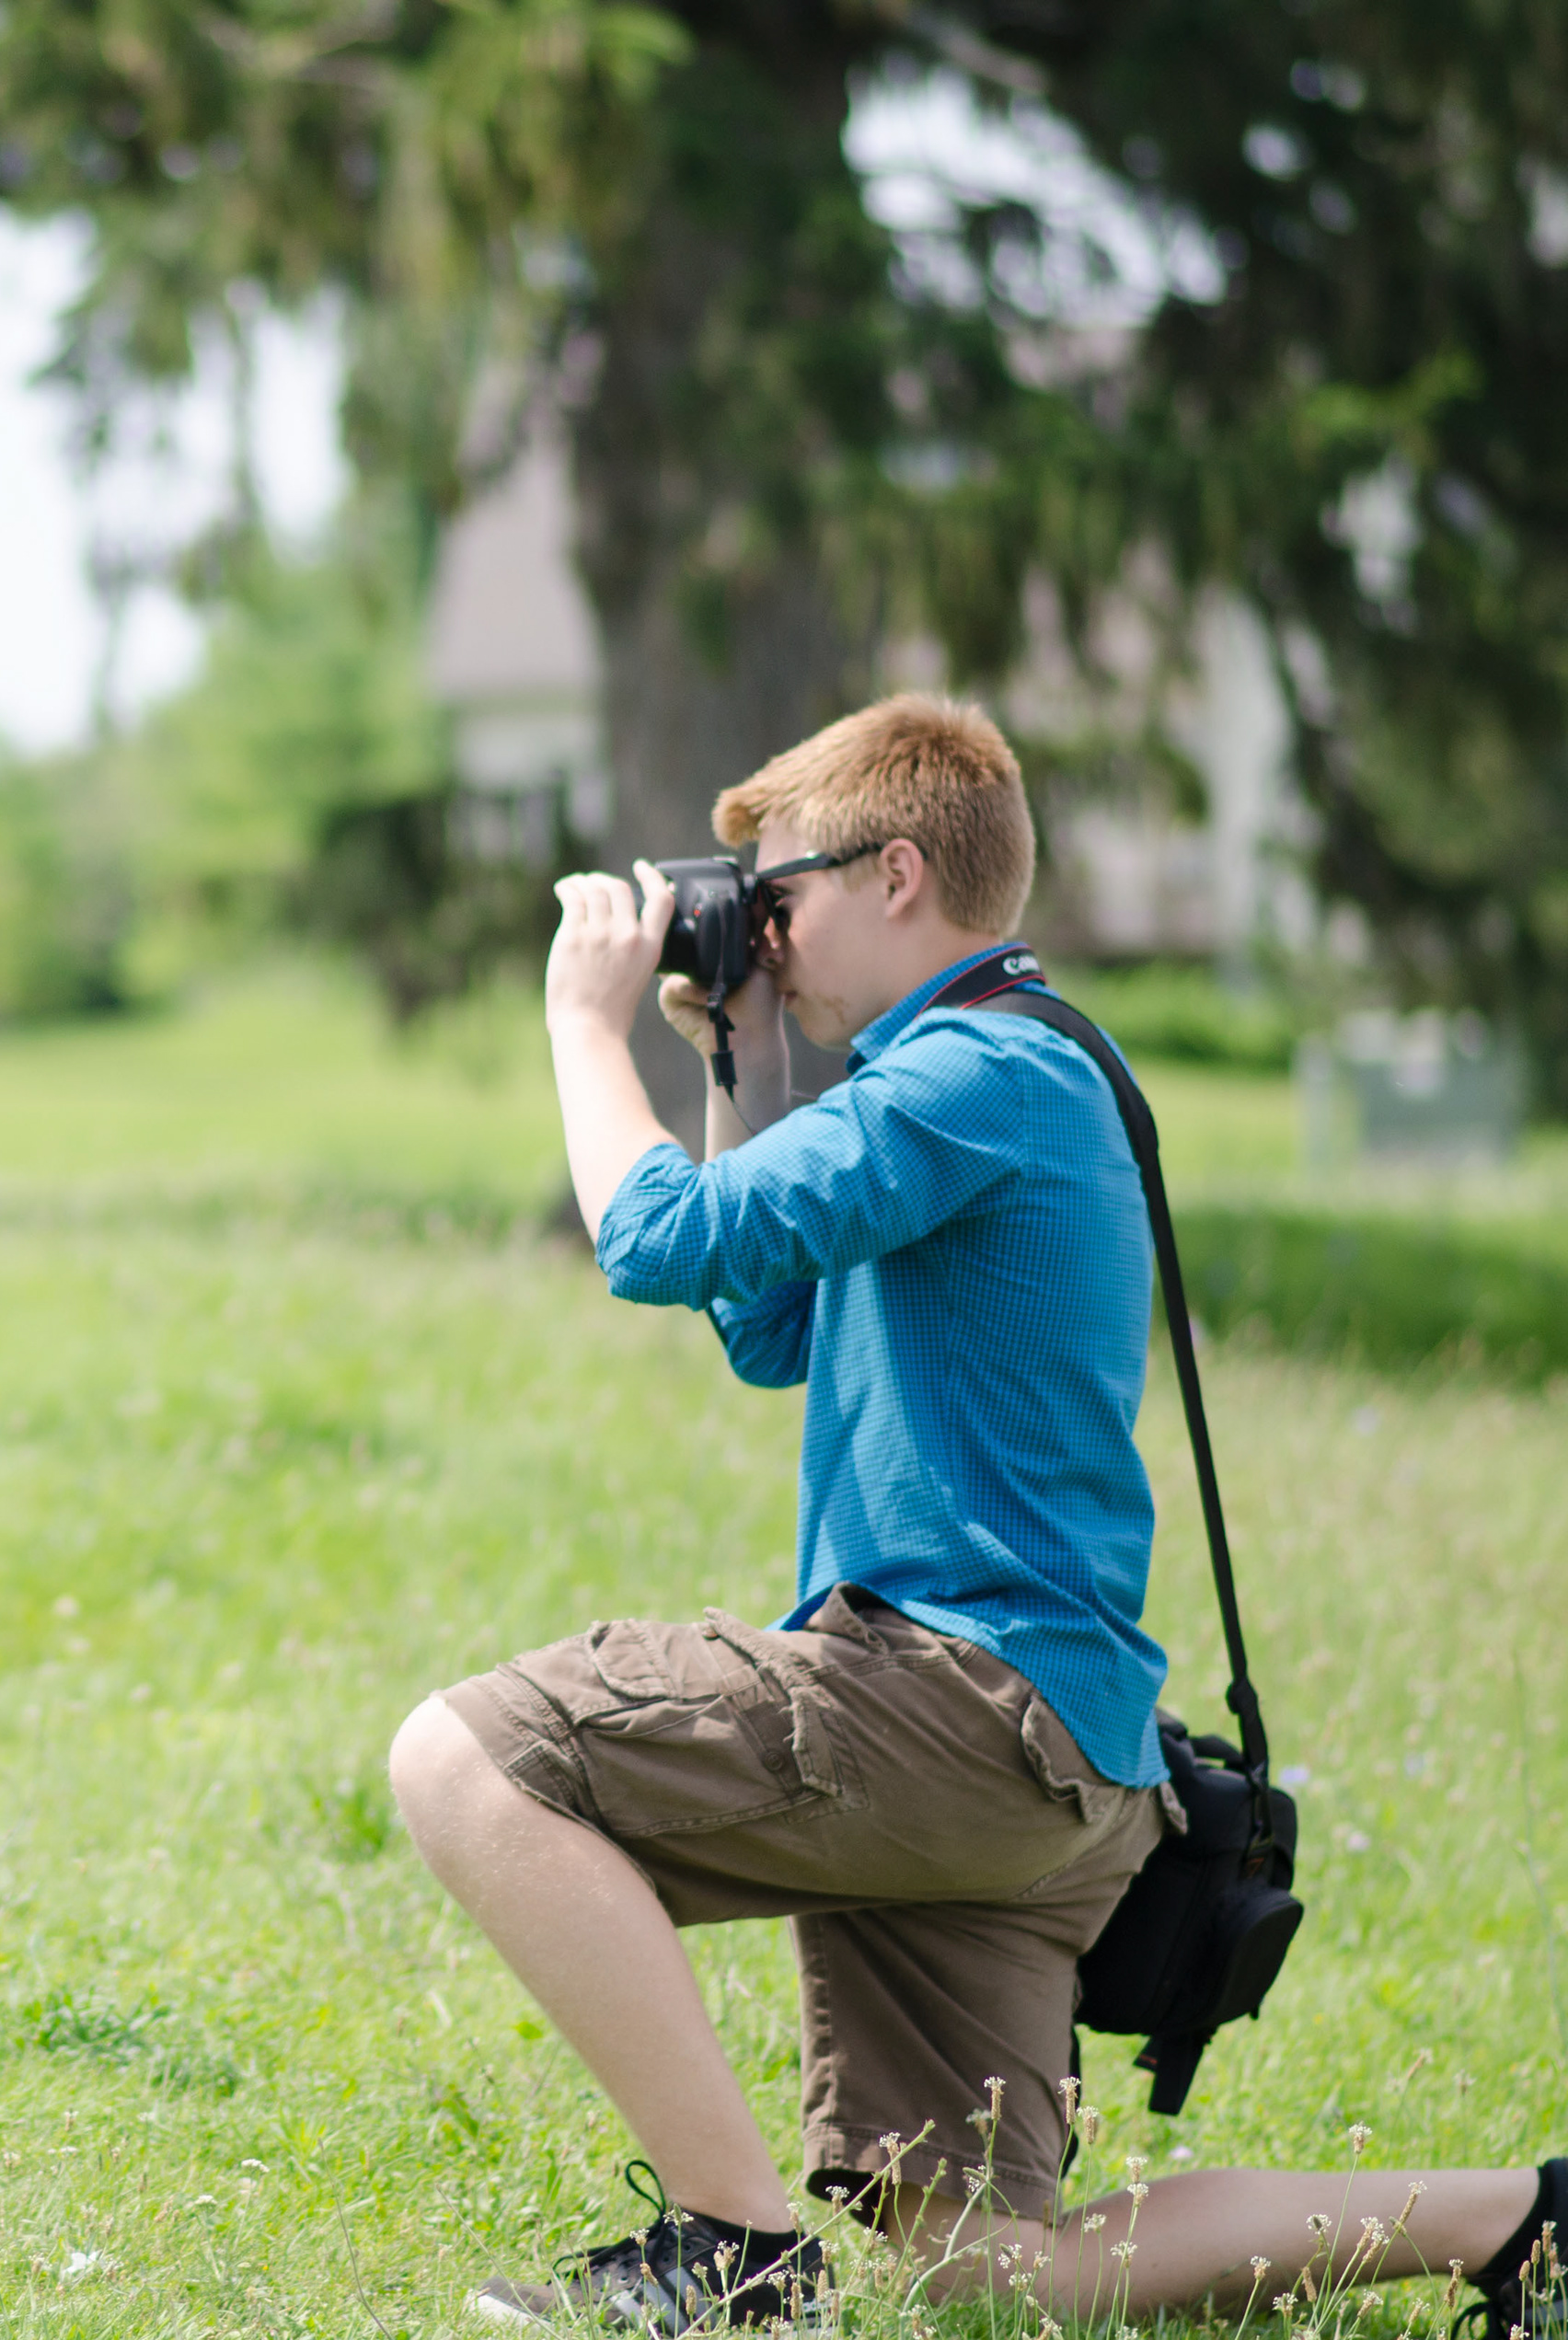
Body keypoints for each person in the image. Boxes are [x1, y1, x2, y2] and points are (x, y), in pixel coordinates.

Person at [386, 696, 1562, 2331]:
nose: (766, 935)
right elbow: (763, 1321)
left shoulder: (975, 1073)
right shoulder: (1000, 1066)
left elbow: (656, 1243)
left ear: (899, 873)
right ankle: (1528, 2225)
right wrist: (734, 1049)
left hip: (963, 1706)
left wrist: (589, 1028)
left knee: (465, 1759)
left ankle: (734, 2256)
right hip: (1055, 1755)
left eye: (776, 901)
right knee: (991, 2271)